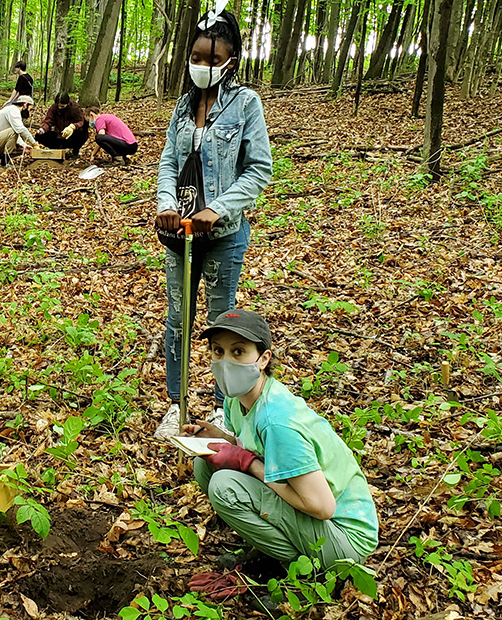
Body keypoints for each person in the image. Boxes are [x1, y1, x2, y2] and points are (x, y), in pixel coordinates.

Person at [183, 309, 378, 599]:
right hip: (319, 522)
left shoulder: (277, 420)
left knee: (225, 486)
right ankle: (271, 553)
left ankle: (302, 575)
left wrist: (245, 462)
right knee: (207, 465)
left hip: (344, 539)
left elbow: (322, 506)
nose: (226, 363)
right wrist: (223, 439)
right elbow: (254, 444)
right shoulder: (239, 400)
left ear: (263, 359)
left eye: (239, 352)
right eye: (218, 352)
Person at [151, 5, 272, 438]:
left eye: (213, 59)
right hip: (178, 235)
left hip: (223, 235)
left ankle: (225, 410)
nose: (203, 66)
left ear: (231, 61)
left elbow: (258, 169)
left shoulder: (246, 105)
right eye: (197, 58)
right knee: (178, 318)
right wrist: (167, 201)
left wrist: (217, 208)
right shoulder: (183, 106)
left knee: (222, 322)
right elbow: (169, 160)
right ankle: (177, 404)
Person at [0, 96, 39, 166]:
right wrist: (34, 143)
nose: (29, 112)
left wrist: (23, 144)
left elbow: (14, 131)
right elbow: (19, 129)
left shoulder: (12, 110)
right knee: (13, 132)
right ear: (25, 104)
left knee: (21, 148)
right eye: (30, 109)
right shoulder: (13, 110)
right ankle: (4, 165)